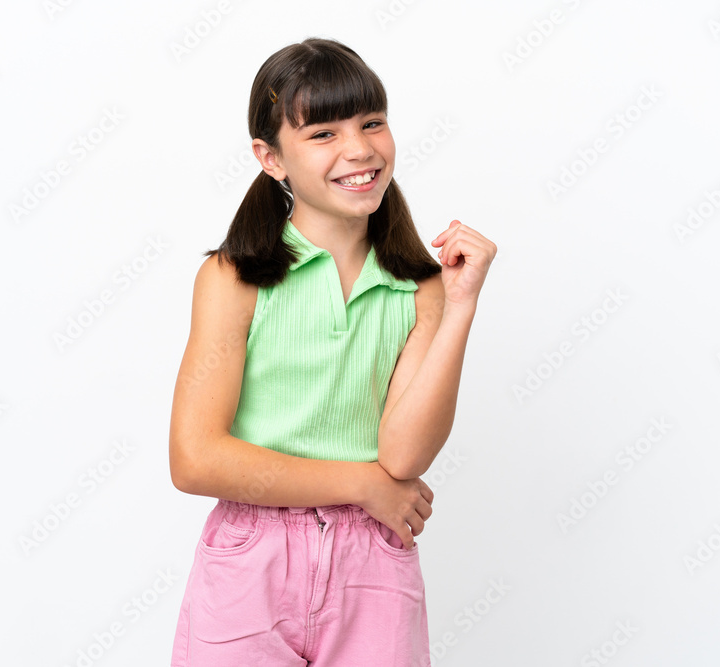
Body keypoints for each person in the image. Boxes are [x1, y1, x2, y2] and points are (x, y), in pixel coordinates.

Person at [169, 37, 497, 667]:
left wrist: (459, 307)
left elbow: (403, 455)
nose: (360, 149)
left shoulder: (422, 290)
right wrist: (361, 484)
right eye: (323, 133)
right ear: (271, 158)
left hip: (372, 562)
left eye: (372, 122)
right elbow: (195, 459)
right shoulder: (233, 279)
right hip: (251, 561)